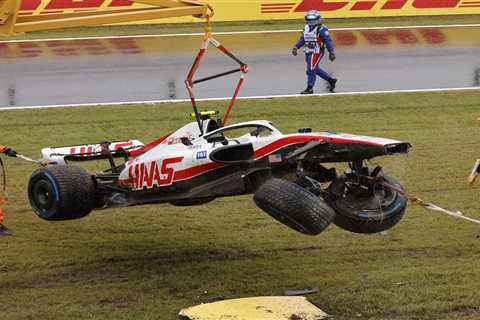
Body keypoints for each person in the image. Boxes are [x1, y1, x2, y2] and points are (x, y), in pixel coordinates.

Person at [292, 10, 337, 94]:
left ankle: (309, 88)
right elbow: (302, 39)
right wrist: (296, 47)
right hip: (308, 51)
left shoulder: (322, 30)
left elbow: (328, 41)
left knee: (311, 70)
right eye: (309, 20)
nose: (311, 22)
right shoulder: (306, 28)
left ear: (319, 20)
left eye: (313, 20)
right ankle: (331, 80)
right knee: (315, 69)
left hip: (317, 52)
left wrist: (331, 52)